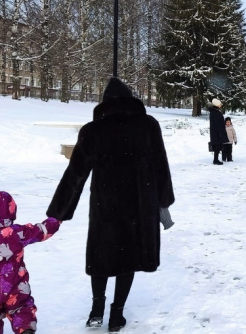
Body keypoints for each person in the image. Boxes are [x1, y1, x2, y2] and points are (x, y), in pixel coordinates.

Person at [47, 77, 174, 332]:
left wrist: (60, 211)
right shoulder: (148, 126)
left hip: (106, 207)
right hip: (139, 206)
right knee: (129, 258)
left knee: (101, 257)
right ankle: (117, 315)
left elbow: (75, 174)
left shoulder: (93, 130)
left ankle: (96, 310)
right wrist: (164, 200)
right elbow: (161, 165)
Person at [0, 191, 61, 334]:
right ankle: (25, 329)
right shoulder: (17, 232)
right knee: (20, 307)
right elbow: (41, 231)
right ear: (11, 210)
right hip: (15, 284)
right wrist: (56, 219)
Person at [208, 98, 229, 165]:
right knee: (217, 145)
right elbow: (218, 123)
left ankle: (216, 159)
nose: (221, 105)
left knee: (217, 145)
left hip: (215, 131)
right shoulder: (216, 113)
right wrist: (221, 132)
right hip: (217, 132)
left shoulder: (213, 112)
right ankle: (215, 160)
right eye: (220, 104)